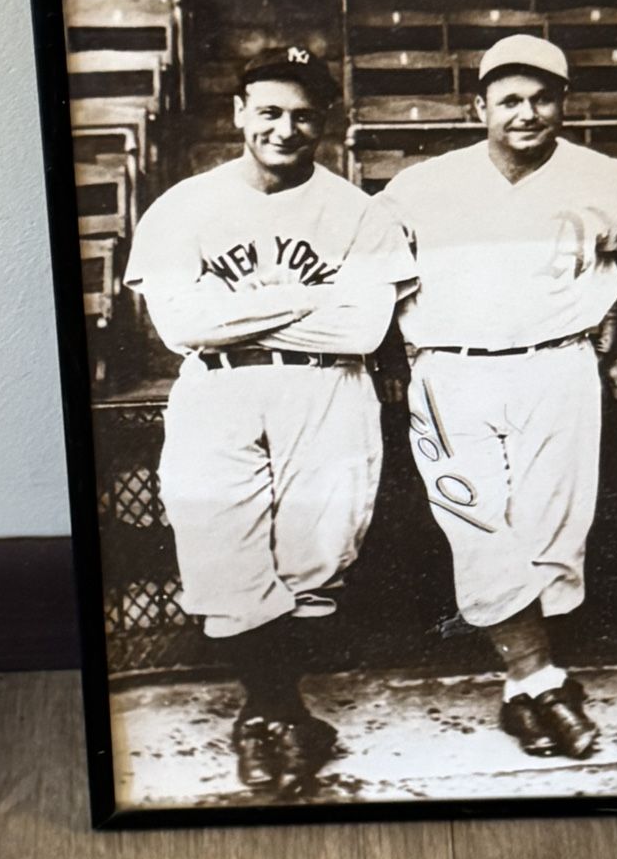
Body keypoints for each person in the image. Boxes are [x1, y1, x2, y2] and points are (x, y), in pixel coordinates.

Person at [123, 46, 414, 797]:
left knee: (317, 559)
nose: (285, 129)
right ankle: (274, 712)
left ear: (325, 120)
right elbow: (182, 326)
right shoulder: (184, 207)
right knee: (222, 553)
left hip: (328, 391)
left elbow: (361, 331)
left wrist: (241, 316)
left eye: (303, 115)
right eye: (270, 111)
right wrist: (309, 304)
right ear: (238, 113)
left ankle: (275, 713)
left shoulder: (358, 211)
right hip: (216, 393)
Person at [381, 34, 617, 760]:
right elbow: (374, 269)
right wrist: (391, 363)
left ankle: (523, 691)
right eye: (509, 99)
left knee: (552, 526)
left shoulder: (605, 177)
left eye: (543, 97)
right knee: (475, 520)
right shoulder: (422, 184)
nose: (527, 112)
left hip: (558, 366)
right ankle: (539, 678)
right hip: (450, 370)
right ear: (478, 107)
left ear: (564, 103)